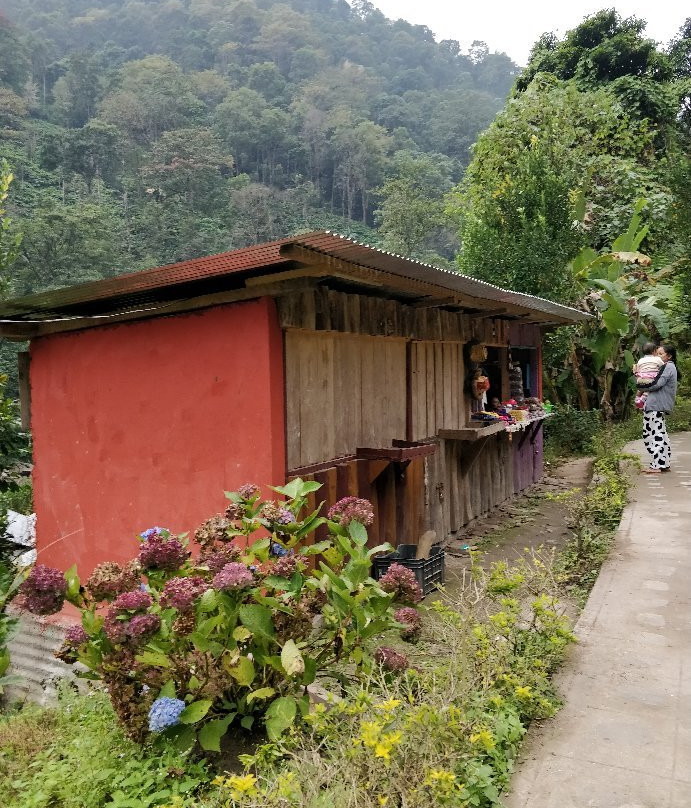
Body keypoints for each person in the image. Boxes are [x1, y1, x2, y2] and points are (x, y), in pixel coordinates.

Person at [638, 343, 679, 474]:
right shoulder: (668, 367)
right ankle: (663, 463)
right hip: (657, 405)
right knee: (660, 434)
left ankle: (657, 465)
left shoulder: (667, 367)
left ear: (669, 356)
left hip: (656, 405)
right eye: (657, 353)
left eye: (661, 354)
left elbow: (656, 384)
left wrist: (640, 385)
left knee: (652, 435)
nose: (658, 356)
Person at [633, 342, 664, 409]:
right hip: (650, 379)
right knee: (649, 390)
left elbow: (638, 369)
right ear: (654, 351)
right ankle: (643, 399)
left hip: (640, 379)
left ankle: (637, 398)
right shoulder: (657, 359)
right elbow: (663, 366)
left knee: (640, 389)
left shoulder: (641, 360)